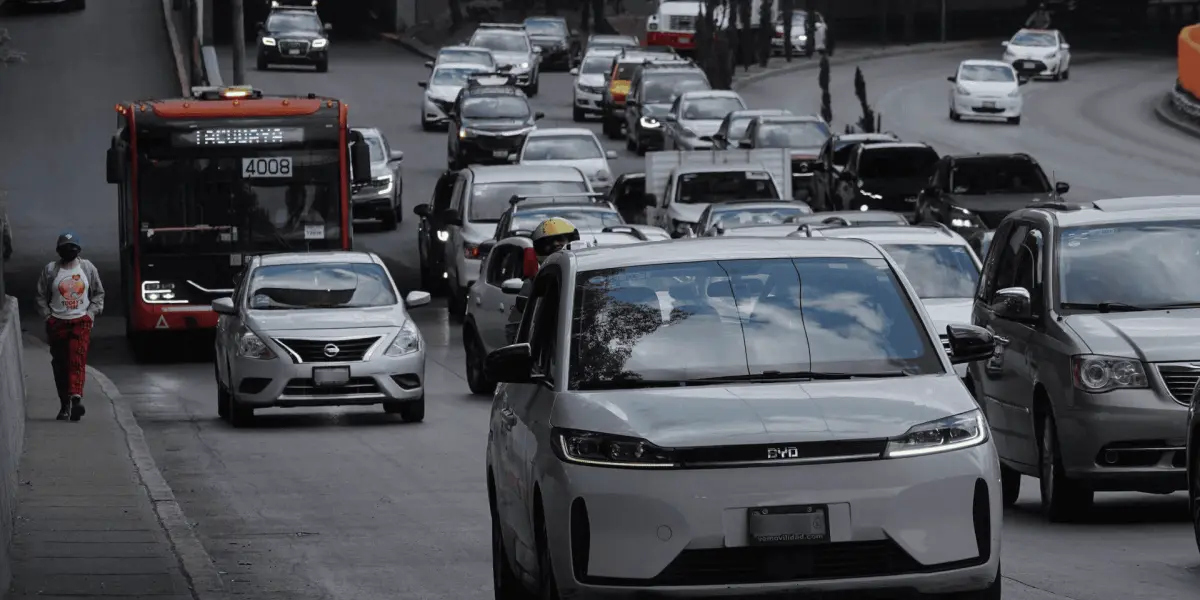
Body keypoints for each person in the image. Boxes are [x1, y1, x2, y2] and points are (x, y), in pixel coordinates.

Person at [34, 232, 105, 421]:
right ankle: (64, 404)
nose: (69, 251)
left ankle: (76, 398)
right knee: (60, 364)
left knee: (77, 359)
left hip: (80, 321)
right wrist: (48, 317)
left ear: (79, 250)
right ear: (58, 251)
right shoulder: (50, 270)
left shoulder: (87, 268)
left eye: (73, 247)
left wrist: (90, 314)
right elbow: (40, 296)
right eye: (65, 247)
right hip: (57, 322)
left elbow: (98, 293)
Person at [504, 218, 580, 344]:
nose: (556, 244)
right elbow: (514, 331)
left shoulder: (590, 281)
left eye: (560, 239)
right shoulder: (533, 285)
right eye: (549, 242)